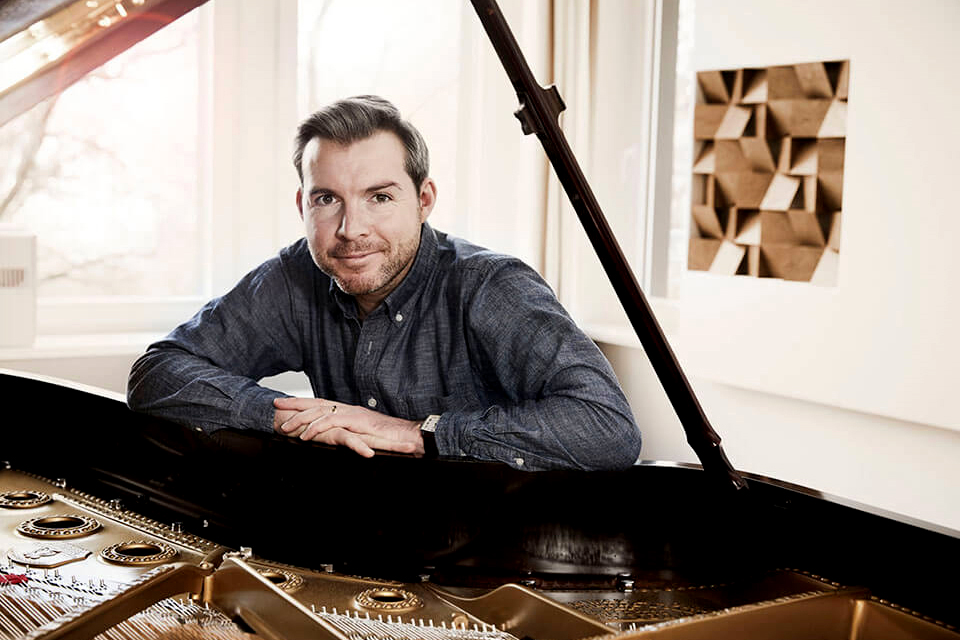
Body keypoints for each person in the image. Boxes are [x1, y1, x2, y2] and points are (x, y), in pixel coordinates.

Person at [127, 95, 641, 471]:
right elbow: (157, 373)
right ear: (303, 205)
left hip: (497, 551)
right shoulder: (296, 277)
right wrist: (284, 416)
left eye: (380, 197)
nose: (352, 230)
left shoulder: (489, 285)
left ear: (424, 200)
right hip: (361, 538)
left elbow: (607, 428)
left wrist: (417, 434)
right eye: (327, 199)